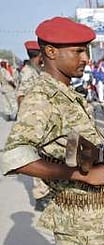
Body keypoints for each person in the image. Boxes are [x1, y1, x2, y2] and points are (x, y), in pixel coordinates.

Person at [0, 16, 104, 245]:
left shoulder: (67, 94)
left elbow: (65, 144)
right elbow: (15, 156)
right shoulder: (42, 97)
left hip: (93, 216)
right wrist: (80, 175)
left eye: (86, 51)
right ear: (51, 52)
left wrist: (100, 157)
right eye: (78, 51)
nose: (86, 58)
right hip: (77, 221)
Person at [15, 40, 52, 211]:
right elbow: (21, 96)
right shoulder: (28, 73)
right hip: (34, 123)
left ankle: (46, 189)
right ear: (38, 56)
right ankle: (41, 196)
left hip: (42, 120)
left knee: (45, 155)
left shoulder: (37, 71)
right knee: (36, 156)